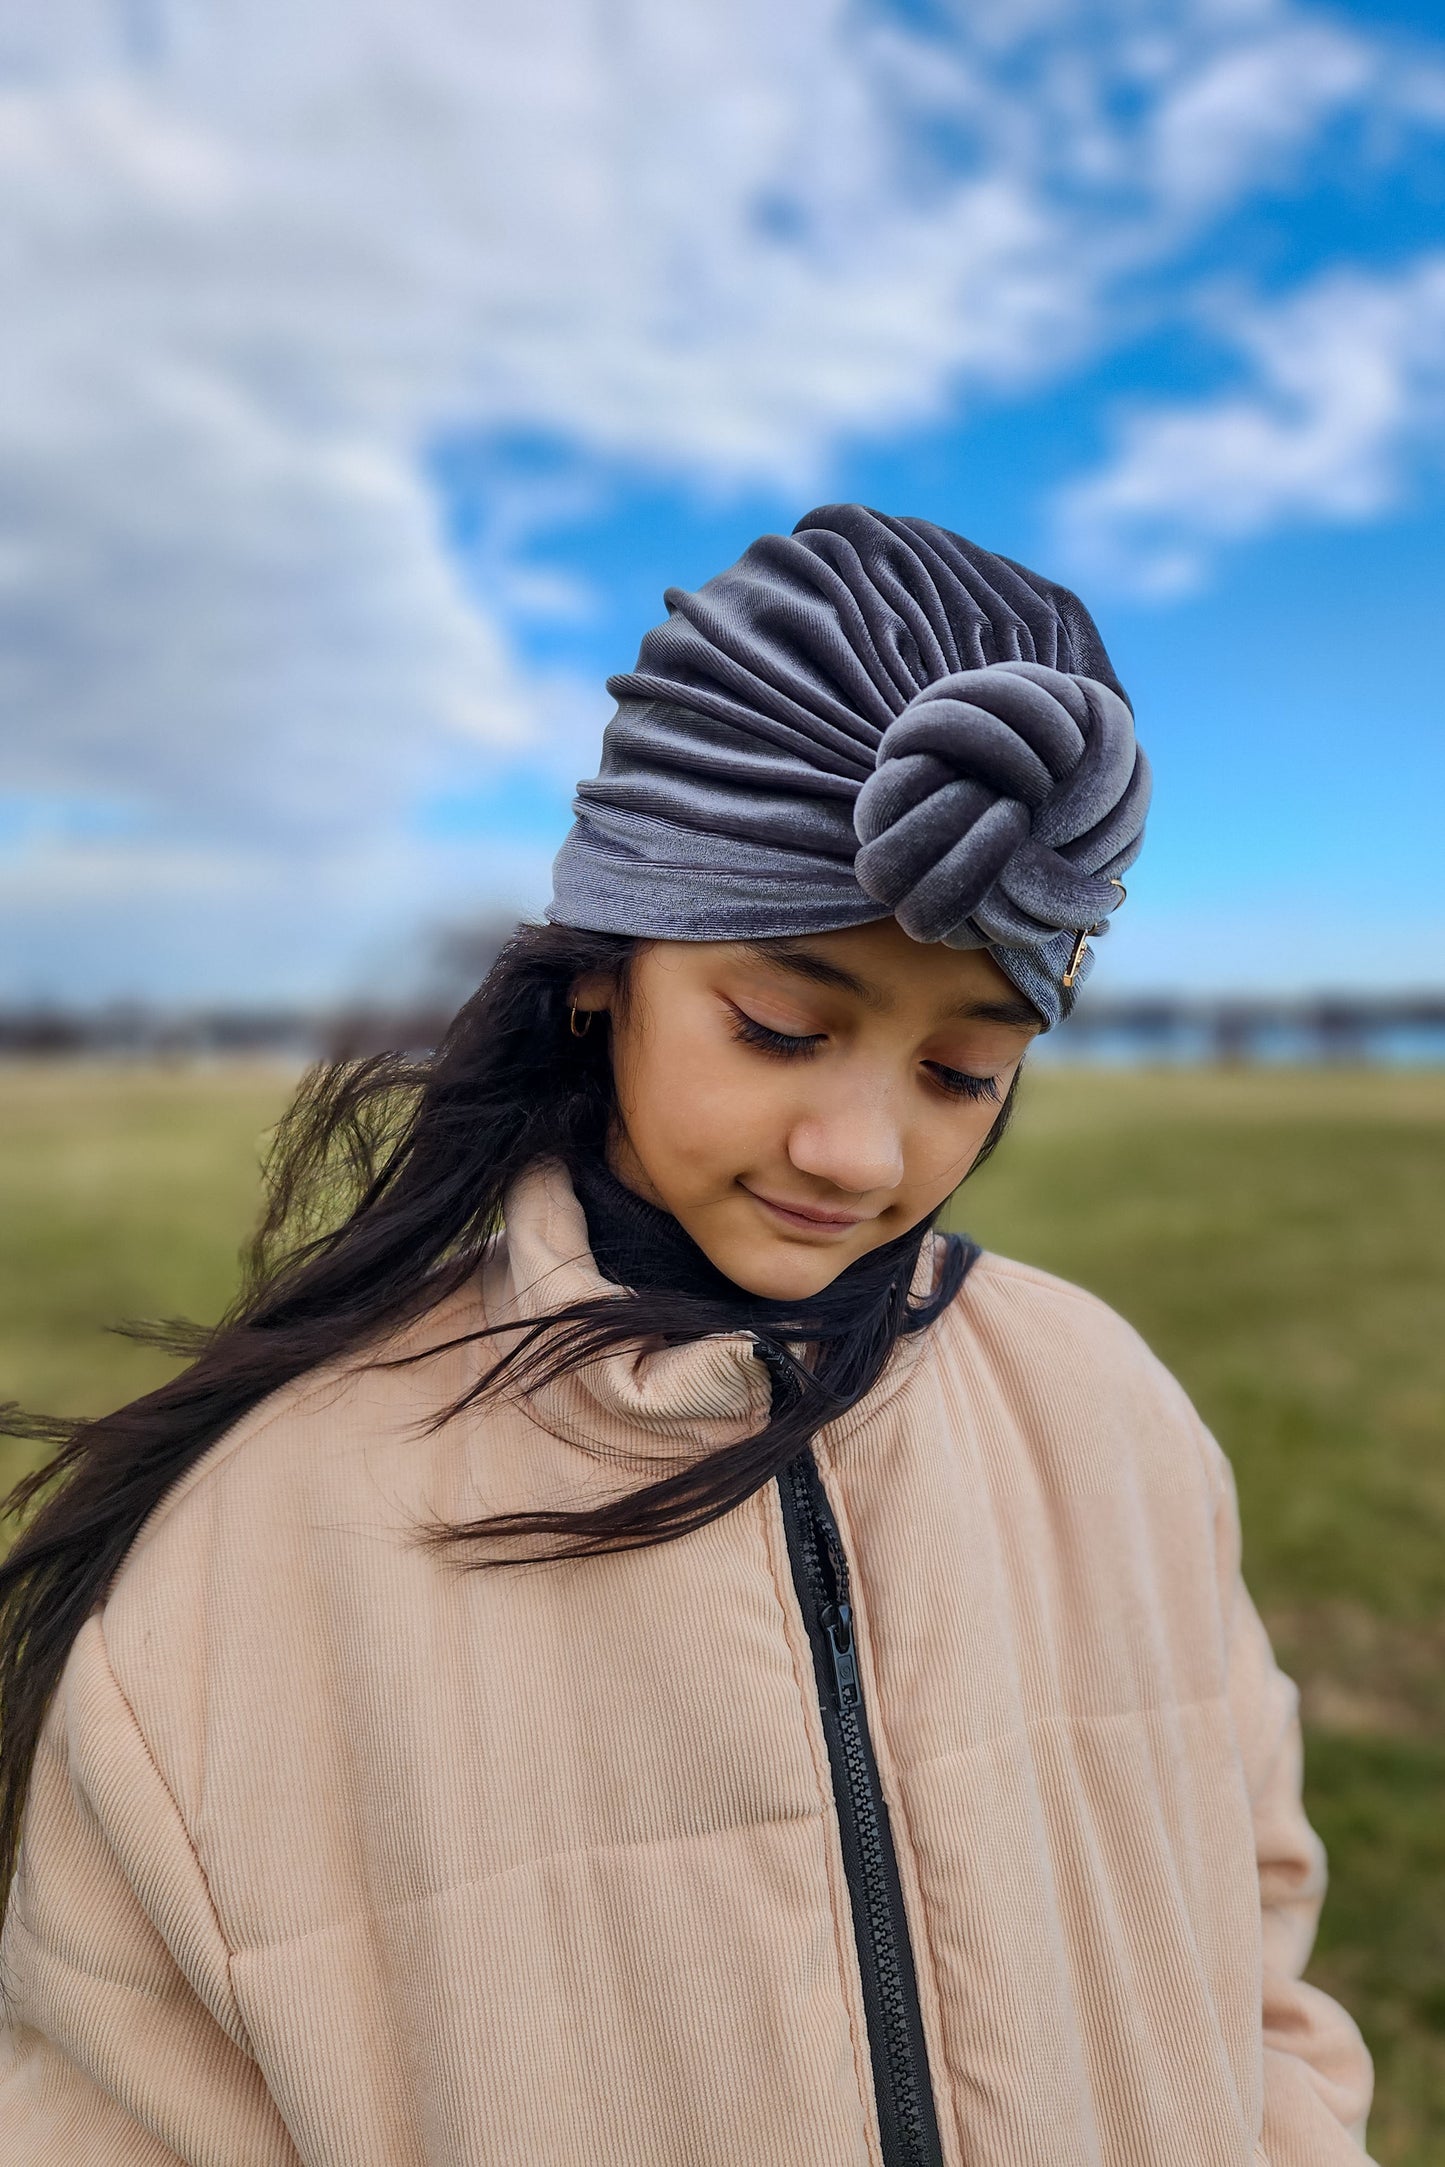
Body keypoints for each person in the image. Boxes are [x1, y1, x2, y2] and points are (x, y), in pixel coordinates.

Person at [0, 504, 1373, 2165]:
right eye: (783, 1026)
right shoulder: (251, 1560)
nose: (863, 1154)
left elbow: (1255, 1953)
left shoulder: (1106, 1410)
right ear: (604, 972)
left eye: (963, 1071)